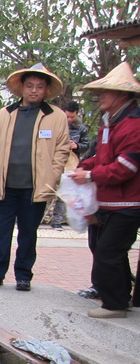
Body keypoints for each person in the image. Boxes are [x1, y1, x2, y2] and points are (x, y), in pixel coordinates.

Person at [0, 63, 69, 292]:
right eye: (29, 86)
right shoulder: (4, 115)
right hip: (5, 184)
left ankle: (23, 275)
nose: (33, 91)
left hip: (35, 186)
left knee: (28, 233)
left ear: (46, 91)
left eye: (39, 87)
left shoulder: (56, 116)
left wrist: (54, 173)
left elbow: (62, 149)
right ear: (21, 87)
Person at [70, 63, 140, 319]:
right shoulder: (111, 123)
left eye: (106, 91)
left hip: (129, 204)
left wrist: (88, 174)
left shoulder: (133, 125)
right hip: (111, 202)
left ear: (122, 95)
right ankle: (121, 299)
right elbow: (100, 156)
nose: (100, 95)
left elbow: (125, 168)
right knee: (110, 252)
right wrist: (82, 167)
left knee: (108, 254)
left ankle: (114, 304)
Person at [50, 100, 91, 230]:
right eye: (67, 116)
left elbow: (87, 145)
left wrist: (77, 146)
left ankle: (58, 220)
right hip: (53, 161)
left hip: (71, 164)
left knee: (66, 191)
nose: (69, 119)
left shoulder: (82, 128)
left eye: (72, 117)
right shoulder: (55, 124)